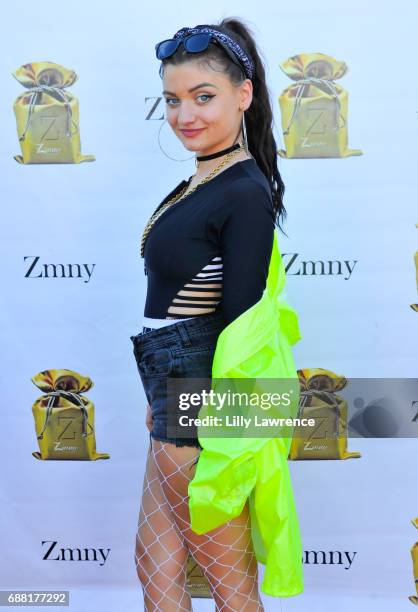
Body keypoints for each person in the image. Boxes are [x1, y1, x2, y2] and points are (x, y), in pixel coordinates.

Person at [129, 17, 301, 611]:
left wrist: (226, 437)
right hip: (170, 382)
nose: (185, 116)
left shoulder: (244, 191)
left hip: (201, 395)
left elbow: (244, 327)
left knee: (230, 588)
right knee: (156, 566)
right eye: (173, 101)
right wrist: (157, 393)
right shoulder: (203, 181)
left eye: (204, 97)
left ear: (243, 94)